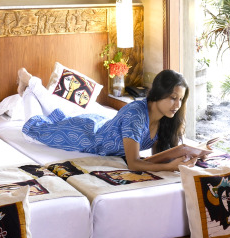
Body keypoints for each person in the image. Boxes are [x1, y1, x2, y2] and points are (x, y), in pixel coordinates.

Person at [17, 68, 202, 171]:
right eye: (172, 98)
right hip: (85, 137)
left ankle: (32, 83)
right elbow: (134, 163)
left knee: (61, 118)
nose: (177, 105)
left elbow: (154, 158)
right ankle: (28, 85)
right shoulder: (136, 115)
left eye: (180, 99)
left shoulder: (166, 118)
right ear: (158, 94)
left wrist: (188, 155)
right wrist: (172, 167)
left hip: (97, 125)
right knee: (32, 130)